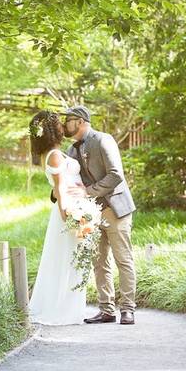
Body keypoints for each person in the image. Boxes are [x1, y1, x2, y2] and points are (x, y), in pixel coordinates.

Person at [62, 105, 137, 325]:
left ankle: (128, 309)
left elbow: (116, 175)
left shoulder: (104, 140)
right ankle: (106, 310)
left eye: (70, 119)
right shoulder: (71, 150)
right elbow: (71, 179)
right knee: (99, 262)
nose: (66, 123)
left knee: (123, 259)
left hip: (115, 209)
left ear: (82, 121)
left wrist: (88, 192)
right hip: (91, 214)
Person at [27, 110, 89, 325]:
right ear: (54, 130)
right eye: (60, 124)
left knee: (71, 260)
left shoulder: (53, 153)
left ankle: (69, 308)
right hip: (68, 211)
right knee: (68, 259)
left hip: (75, 206)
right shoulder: (54, 155)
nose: (64, 126)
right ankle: (62, 309)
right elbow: (60, 189)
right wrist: (68, 218)